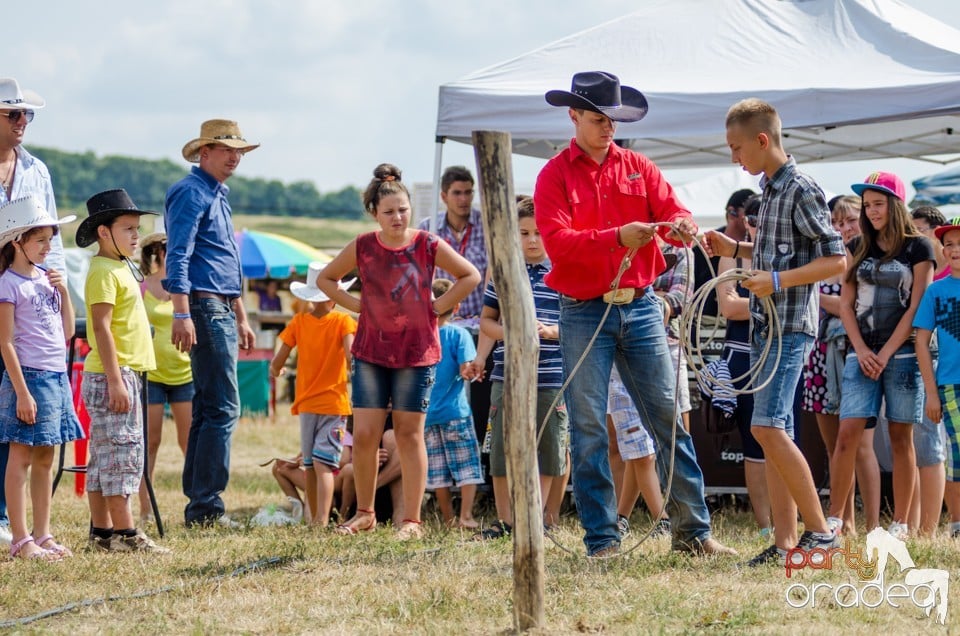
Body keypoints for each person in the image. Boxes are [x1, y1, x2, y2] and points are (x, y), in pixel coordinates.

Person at [535, 71, 734, 557]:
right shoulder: (553, 175)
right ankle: (602, 539)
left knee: (666, 420)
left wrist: (683, 228)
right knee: (587, 428)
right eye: (600, 119)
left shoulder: (640, 167)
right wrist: (616, 237)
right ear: (574, 117)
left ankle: (693, 533)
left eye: (613, 120)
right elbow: (556, 244)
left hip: (641, 307)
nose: (608, 128)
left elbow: (674, 212)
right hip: (583, 310)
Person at [706, 98, 847, 565]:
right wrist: (737, 247)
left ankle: (820, 532)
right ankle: (787, 541)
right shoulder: (769, 190)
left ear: (762, 141)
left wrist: (778, 281)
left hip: (789, 328)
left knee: (766, 426)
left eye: (736, 147)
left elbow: (836, 260)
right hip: (769, 327)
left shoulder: (802, 189)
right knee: (775, 429)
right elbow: (779, 253)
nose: (734, 158)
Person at [318, 163, 480, 539]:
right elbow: (326, 278)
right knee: (365, 436)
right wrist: (354, 305)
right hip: (371, 352)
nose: (397, 217)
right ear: (375, 213)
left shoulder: (427, 244)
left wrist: (437, 308)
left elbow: (469, 275)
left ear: (411, 209)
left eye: (403, 209)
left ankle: (412, 522)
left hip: (417, 352)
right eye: (389, 211)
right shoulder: (363, 246)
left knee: (409, 435)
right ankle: (364, 513)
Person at [826, 172, 933, 541]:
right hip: (861, 352)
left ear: (896, 205)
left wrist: (885, 353)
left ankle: (901, 524)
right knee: (847, 434)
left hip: (902, 354)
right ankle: (834, 521)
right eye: (867, 204)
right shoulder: (857, 245)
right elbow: (845, 303)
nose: (871, 211)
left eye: (878, 203)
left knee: (902, 437)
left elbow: (918, 304)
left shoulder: (919, 248)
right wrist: (860, 349)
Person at [164, 119, 259, 527]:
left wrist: (239, 314)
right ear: (204, 153)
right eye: (227, 149)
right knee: (222, 408)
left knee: (208, 408)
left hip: (217, 305)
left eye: (238, 150)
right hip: (203, 306)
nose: (235, 156)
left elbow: (223, 261)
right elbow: (179, 255)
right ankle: (206, 506)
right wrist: (182, 312)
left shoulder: (217, 194)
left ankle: (201, 506)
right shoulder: (191, 192)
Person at [78, 189, 169, 553]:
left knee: (104, 458)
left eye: (137, 228)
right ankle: (127, 535)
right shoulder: (103, 271)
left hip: (122, 373)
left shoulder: (120, 267)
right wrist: (116, 379)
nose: (136, 236)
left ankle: (101, 533)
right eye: (128, 228)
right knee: (122, 455)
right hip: (113, 375)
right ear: (104, 232)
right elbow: (100, 327)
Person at [472, 196, 568, 540]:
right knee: (500, 446)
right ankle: (506, 519)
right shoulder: (503, 272)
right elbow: (486, 322)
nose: (531, 240)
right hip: (507, 375)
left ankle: (535, 517)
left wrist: (550, 332)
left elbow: (574, 324)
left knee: (549, 446)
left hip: (551, 373)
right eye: (524, 232)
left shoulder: (564, 271)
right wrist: (514, 334)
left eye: (539, 232)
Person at [0, 78, 67, 547]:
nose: (23, 123)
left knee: (14, 417)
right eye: (13, 115)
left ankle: (8, 520)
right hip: (8, 293)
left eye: (27, 115)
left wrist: (57, 291)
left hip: (26, 299)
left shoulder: (37, 169)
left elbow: (52, 241)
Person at [0, 196, 81, 559]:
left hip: (55, 375)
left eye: (51, 239)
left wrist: (63, 292)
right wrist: (21, 392)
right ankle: (20, 538)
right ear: (17, 241)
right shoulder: (8, 285)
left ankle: (42, 533)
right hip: (29, 379)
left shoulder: (47, 281)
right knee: (21, 456)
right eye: (41, 240)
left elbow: (66, 332)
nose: (49, 247)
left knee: (46, 456)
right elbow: (5, 343)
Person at [800, 195, 881, 536]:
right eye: (837, 222)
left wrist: (818, 297)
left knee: (862, 446)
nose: (844, 228)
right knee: (835, 448)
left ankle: (874, 525)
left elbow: (857, 306)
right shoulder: (825, 258)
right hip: (819, 357)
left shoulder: (870, 258)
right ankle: (842, 521)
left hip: (858, 356)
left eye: (850, 221)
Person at [269, 263, 357, 526]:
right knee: (325, 465)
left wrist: (278, 370)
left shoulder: (298, 322)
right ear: (335, 295)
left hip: (306, 403)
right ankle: (321, 520)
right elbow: (352, 357)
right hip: (334, 403)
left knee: (309, 464)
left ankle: (311, 518)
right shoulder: (343, 321)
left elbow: (277, 361)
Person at [713, 195, 772, 537]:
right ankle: (765, 525)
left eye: (762, 220)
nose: (756, 227)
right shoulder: (731, 254)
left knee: (781, 437)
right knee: (753, 442)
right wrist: (771, 301)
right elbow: (728, 307)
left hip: (778, 352)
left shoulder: (785, 257)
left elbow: (738, 304)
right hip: (742, 356)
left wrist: (752, 301)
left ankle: (786, 519)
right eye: (751, 221)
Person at [136, 232, 194, 524]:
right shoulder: (143, 283)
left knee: (188, 442)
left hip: (185, 373)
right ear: (156, 250)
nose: (171, 251)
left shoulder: (186, 283)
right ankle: (146, 509)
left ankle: (195, 505)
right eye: (166, 247)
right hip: (152, 374)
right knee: (151, 442)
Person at [424, 278, 484, 529]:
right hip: (455, 412)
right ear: (456, 307)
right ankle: (466, 516)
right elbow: (466, 367)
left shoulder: (421, 334)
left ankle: (448, 518)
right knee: (467, 465)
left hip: (426, 414)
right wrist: (472, 371)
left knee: (437, 471)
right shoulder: (459, 334)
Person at [915, 218, 960, 539]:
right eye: (950, 244)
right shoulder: (936, 291)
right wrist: (931, 393)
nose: (955, 250)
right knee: (957, 455)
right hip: (950, 385)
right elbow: (920, 340)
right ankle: (957, 523)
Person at [908, 206, 949, 536]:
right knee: (935, 447)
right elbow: (920, 337)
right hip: (939, 375)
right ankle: (930, 527)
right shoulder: (933, 286)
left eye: (919, 229)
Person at [606, 367, 670, 539]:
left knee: (638, 453)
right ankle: (662, 520)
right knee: (642, 454)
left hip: (650, 373)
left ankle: (621, 518)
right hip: (619, 379)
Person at [418, 166, 488, 322]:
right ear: (444, 196)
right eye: (457, 193)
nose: (463, 199)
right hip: (440, 321)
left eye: (468, 192)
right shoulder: (428, 227)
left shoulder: (487, 227)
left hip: (480, 321)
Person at [690, 188, 755, 338]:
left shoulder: (764, 250)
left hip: (744, 331)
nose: (753, 223)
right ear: (732, 213)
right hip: (706, 330)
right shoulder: (705, 245)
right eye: (750, 216)